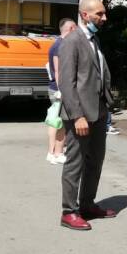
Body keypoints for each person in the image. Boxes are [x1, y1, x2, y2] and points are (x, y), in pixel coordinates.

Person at [57, 0, 116, 231]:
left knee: (95, 161)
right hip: (80, 113)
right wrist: (77, 115)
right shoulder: (72, 41)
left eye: (104, 14)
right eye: (99, 14)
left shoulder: (94, 39)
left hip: (99, 111)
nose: (104, 18)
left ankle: (87, 204)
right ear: (84, 15)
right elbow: (66, 83)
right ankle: (69, 212)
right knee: (75, 163)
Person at [45, 18, 76, 165]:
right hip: (58, 89)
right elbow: (58, 70)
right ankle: (57, 153)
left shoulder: (57, 44)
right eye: (75, 29)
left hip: (55, 89)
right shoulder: (61, 45)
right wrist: (62, 90)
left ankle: (52, 153)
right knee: (61, 122)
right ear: (70, 29)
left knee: (55, 121)